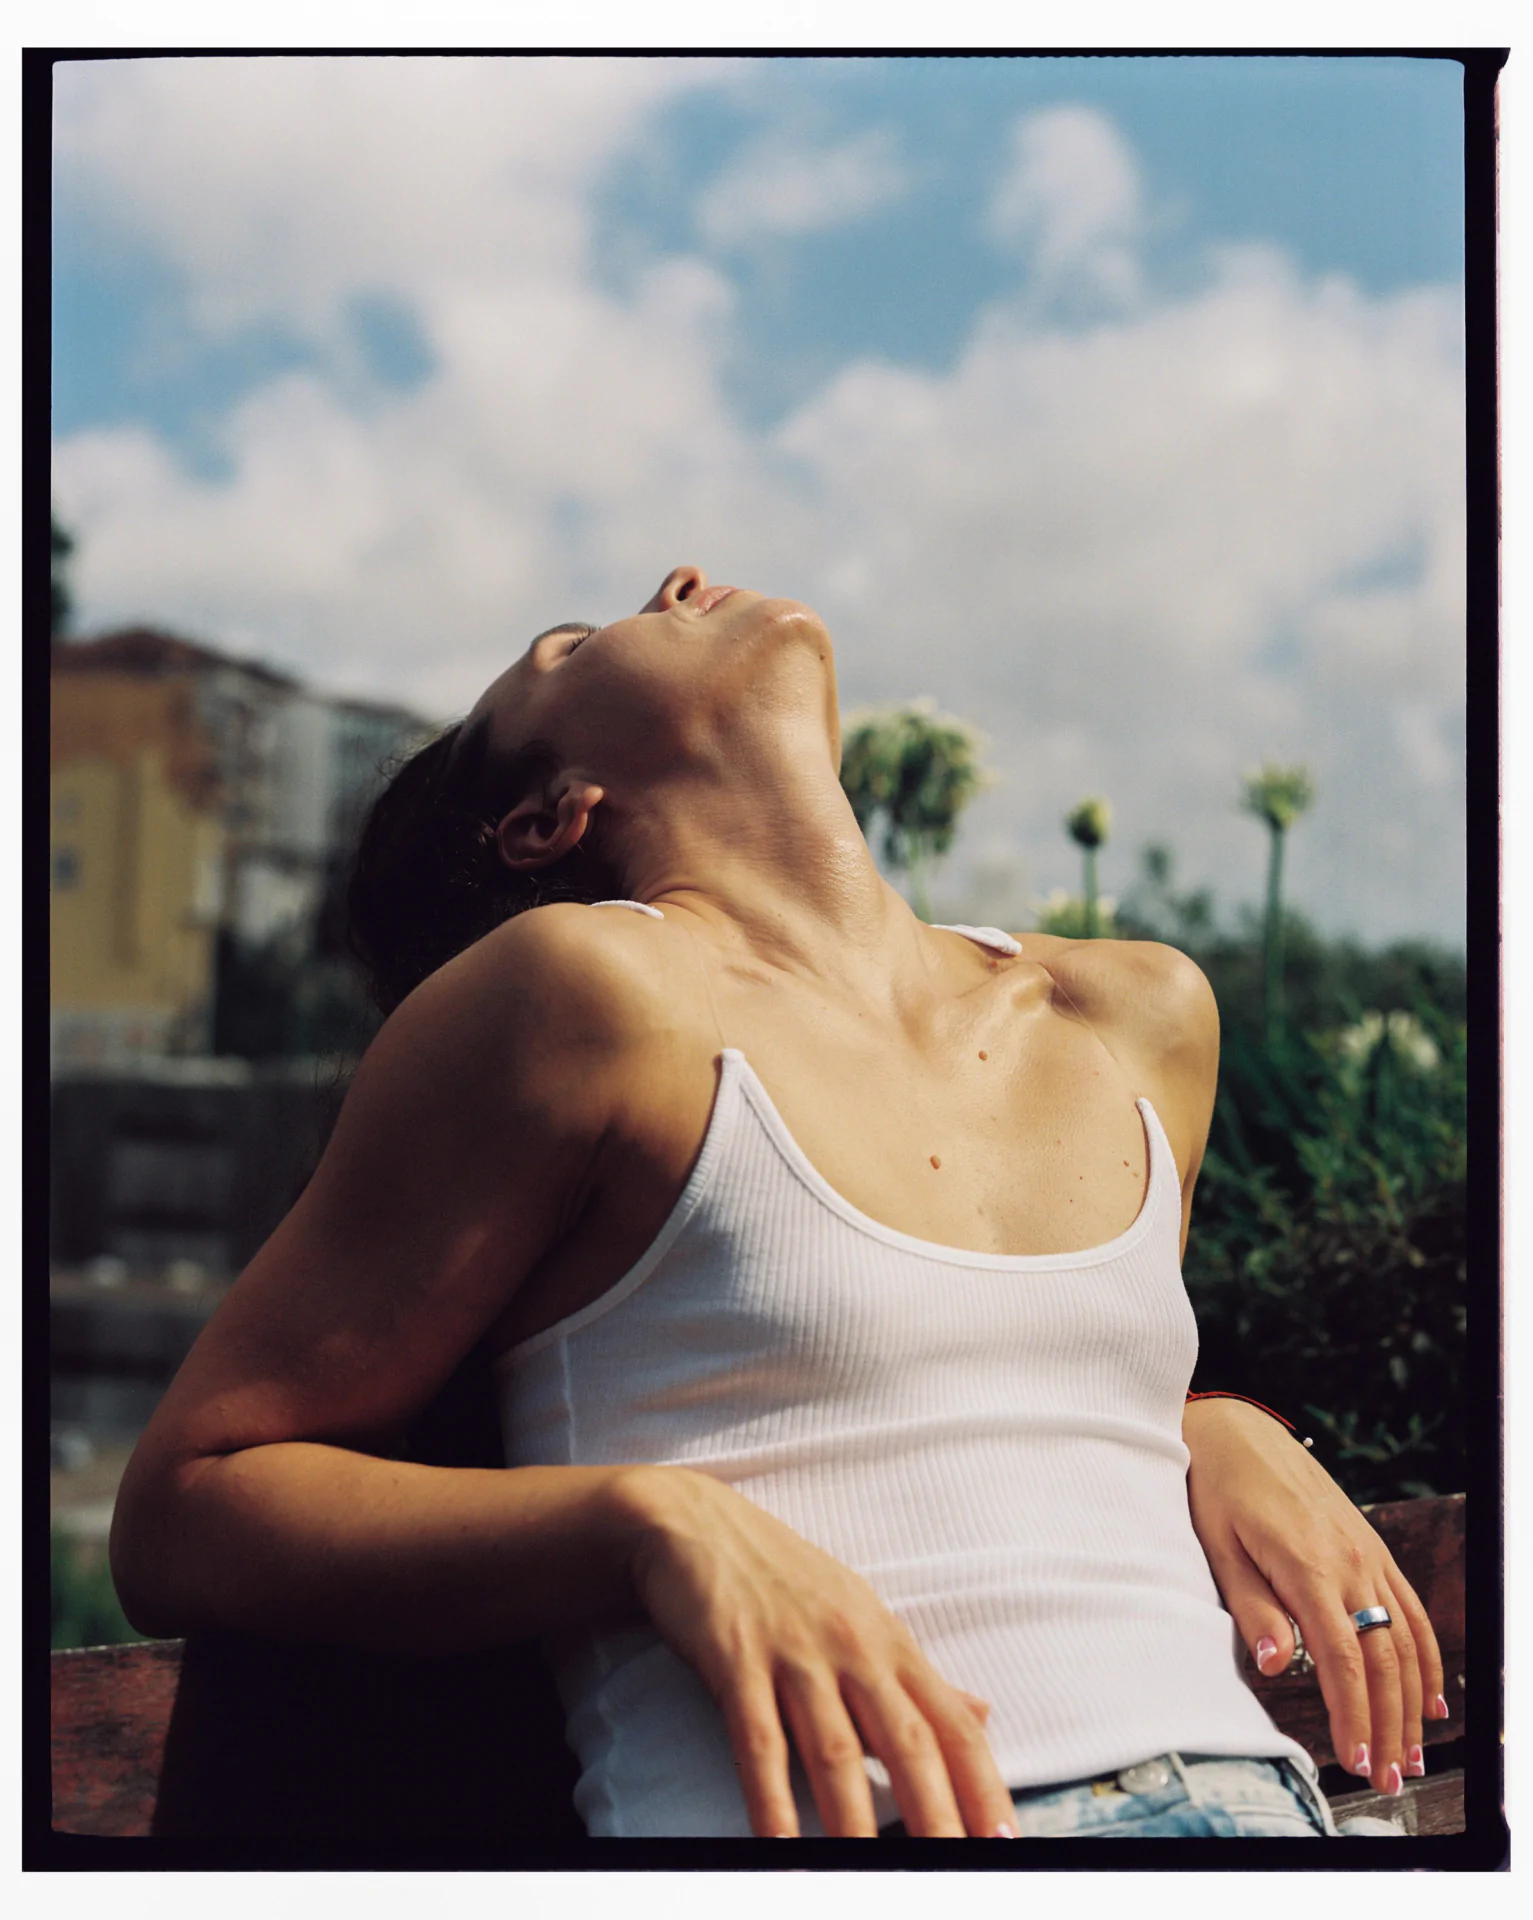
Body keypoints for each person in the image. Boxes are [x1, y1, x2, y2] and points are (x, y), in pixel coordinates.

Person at [111, 567, 1446, 1839]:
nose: (683, 577)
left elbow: (1008, 1397)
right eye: (575, 645)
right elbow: (187, 1505)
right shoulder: (585, 995)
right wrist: (646, 1523)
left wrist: (1204, 1425)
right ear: (551, 815)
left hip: (1259, 1808)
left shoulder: (1139, 1011)